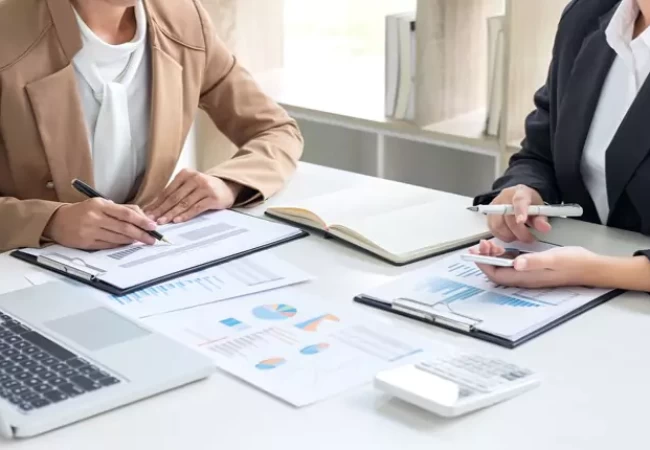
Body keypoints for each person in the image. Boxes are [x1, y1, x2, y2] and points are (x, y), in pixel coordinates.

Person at [0, 0, 303, 252]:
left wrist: (229, 183)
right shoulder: (8, 28)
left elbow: (276, 130)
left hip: (138, 266)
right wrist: (51, 221)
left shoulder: (185, 20)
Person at [471, 0, 650, 291]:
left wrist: (591, 271)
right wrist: (525, 191)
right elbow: (540, 154)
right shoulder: (585, 15)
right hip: (570, 295)